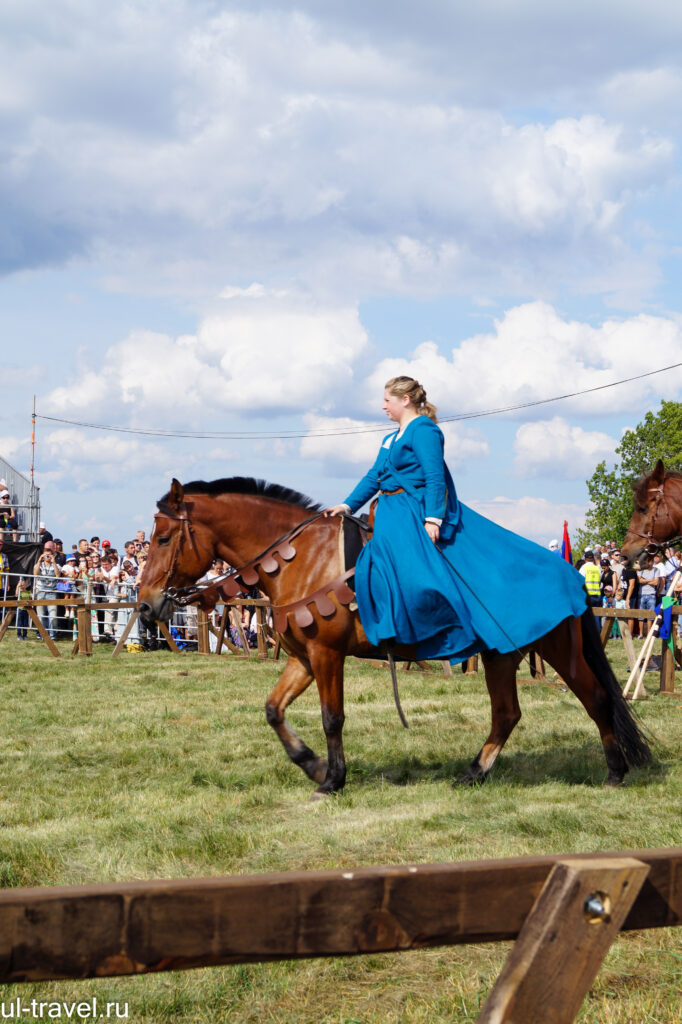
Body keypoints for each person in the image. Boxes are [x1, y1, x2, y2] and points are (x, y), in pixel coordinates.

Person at [324, 376, 587, 661]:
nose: (382, 406)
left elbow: (435, 476)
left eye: (387, 400)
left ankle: (434, 628)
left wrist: (433, 519)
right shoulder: (389, 438)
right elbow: (373, 476)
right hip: (389, 514)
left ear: (405, 400)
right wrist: (347, 505)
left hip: (413, 513)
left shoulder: (423, 430)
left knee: (417, 574)